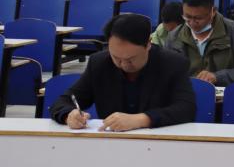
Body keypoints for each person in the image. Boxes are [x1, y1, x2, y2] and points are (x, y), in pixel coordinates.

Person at [52, 13, 196, 131]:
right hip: (112, 143)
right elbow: (64, 101)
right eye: (116, 57)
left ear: (148, 44)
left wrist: (141, 119)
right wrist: (69, 114)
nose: (123, 64)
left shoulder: (173, 63)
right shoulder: (99, 63)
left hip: (158, 142)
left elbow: (186, 108)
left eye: (131, 59)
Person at [165, 0, 234, 86]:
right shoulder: (174, 37)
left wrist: (218, 77)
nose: (192, 23)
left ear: (213, 11)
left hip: (225, 93)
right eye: (187, 17)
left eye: (198, 18)